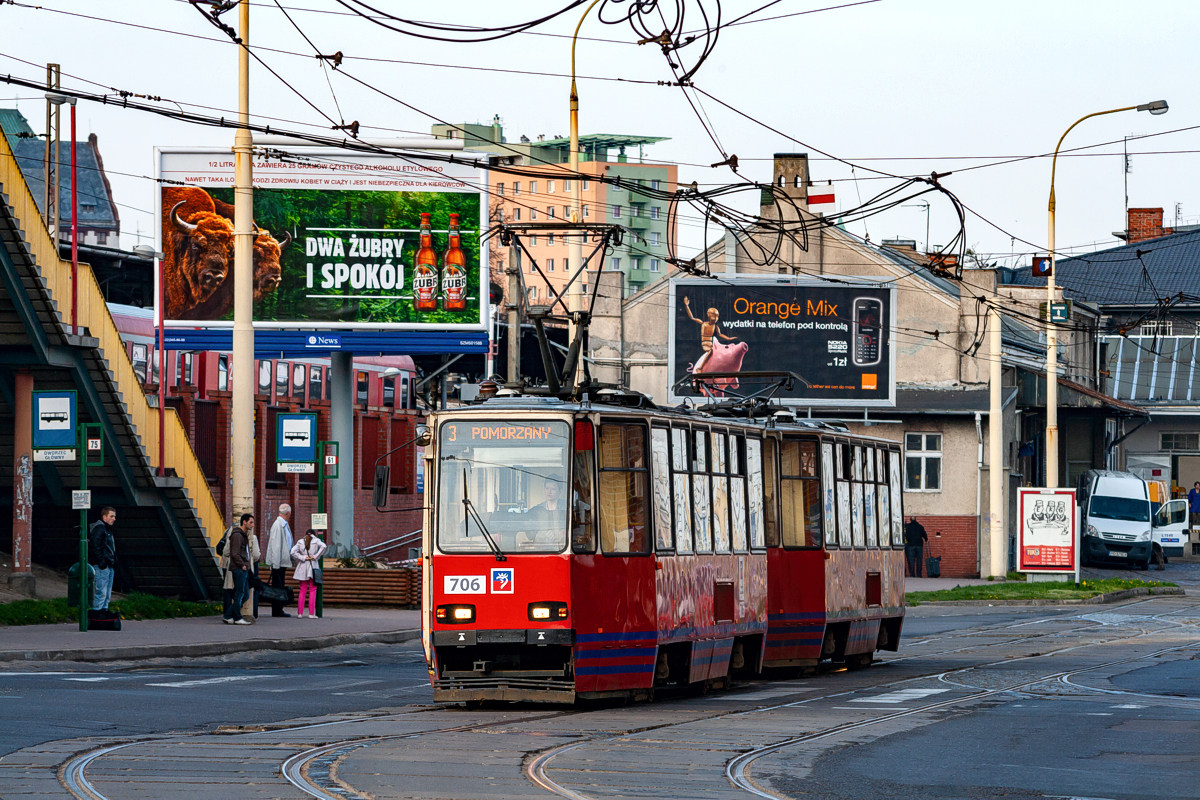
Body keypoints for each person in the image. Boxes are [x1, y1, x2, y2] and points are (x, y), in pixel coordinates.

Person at [683, 295, 738, 374]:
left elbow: (720, 334)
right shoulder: (703, 324)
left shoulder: (715, 327)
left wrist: (729, 338)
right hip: (705, 343)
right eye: (713, 316)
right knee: (711, 351)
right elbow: (692, 317)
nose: (715, 318)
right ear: (709, 315)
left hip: (711, 344)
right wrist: (686, 305)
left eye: (717, 316)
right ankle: (700, 368)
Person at [219, 514, 253, 619]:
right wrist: (242, 565)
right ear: (244, 522)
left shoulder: (242, 534)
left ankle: (228, 615)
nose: (252, 525)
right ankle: (237, 617)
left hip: (242, 567)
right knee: (240, 594)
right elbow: (235, 553)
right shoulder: (238, 535)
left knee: (244, 594)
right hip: (239, 568)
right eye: (250, 522)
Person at [517, 476, 565, 548]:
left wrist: (562, 534)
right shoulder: (537, 510)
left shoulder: (567, 507)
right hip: (543, 551)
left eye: (553, 489)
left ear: (560, 491)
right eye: (547, 488)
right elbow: (529, 534)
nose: (549, 492)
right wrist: (541, 536)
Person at [264, 504, 294, 617]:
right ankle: (277, 610)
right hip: (279, 563)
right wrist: (275, 564)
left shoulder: (283, 525)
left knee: (279, 586)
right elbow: (276, 546)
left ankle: (278, 609)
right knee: (277, 587)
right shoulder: (278, 525)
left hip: (281, 562)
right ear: (288, 513)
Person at [290, 529, 327, 618]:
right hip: (313, 565)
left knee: (302, 590)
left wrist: (302, 557)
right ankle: (311, 613)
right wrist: (316, 556)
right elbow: (324, 546)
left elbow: (292, 552)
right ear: (314, 534)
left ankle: (300, 613)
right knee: (312, 590)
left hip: (302, 566)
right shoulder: (316, 540)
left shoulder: (300, 541)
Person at [87, 507, 118, 611]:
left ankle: (103, 612)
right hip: (103, 566)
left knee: (106, 592)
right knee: (102, 592)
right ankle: (97, 613)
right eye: (111, 516)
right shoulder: (100, 529)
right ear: (104, 517)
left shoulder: (105, 529)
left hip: (108, 565)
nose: (114, 518)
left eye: (114, 516)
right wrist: (102, 564)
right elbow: (96, 547)